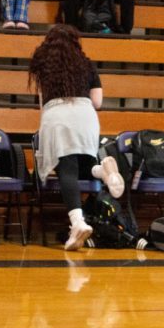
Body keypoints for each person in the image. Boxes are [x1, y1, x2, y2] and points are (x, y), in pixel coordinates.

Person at [28, 24, 114, 251]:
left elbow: (41, 103)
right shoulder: (85, 64)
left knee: (67, 168)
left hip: (57, 116)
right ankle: (100, 170)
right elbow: (97, 102)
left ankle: (77, 222)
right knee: (85, 160)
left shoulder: (43, 64)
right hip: (86, 115)